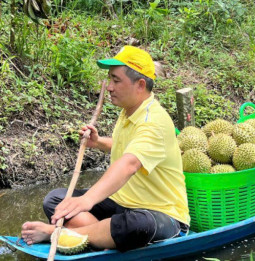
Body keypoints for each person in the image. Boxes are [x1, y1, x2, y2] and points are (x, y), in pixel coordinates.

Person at [20, 46, 189, 252]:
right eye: (109, 79)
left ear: (140, 85)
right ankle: (102, 235)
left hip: (161, 215)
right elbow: (128, 148)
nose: (109, 87)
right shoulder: (129, 110)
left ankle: (60, 234)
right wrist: (99, 142)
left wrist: (87, 200)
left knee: (135, 225)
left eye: (116, 81)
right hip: (122, 203)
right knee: (56, 200)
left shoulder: (153, 121)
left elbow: (129, 164)